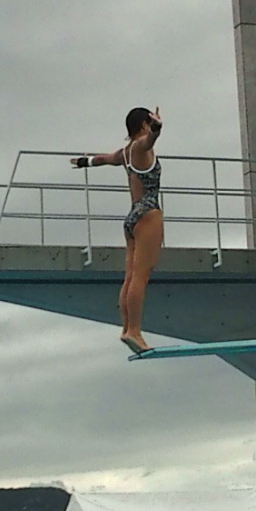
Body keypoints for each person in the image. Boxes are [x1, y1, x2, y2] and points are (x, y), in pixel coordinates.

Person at [71, 107, 163, 354]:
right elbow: (151, 139)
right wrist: (157, 127)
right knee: (141, 276)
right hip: (148, 213)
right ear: (143, 124)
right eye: (148, 121)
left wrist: (85, 162)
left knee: (130, 276)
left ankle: (127, 328)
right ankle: (134, 331)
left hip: (132, 216)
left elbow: (104, 159)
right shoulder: (141, 147)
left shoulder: (125, 152)